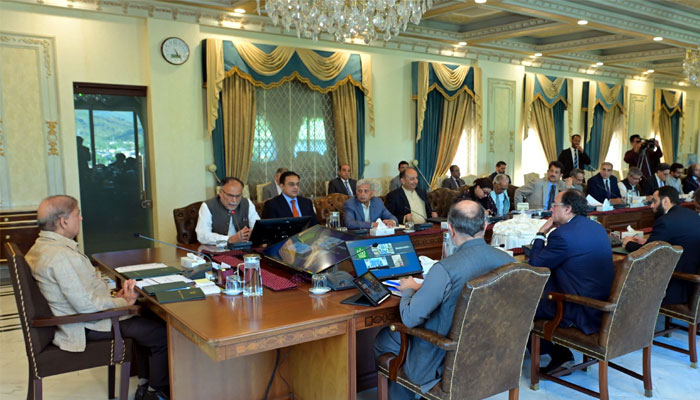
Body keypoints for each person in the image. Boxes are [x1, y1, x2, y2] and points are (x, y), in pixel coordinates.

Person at [26, 196, 169, 400]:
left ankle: (145, 384)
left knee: (147, 319)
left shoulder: (42, 246)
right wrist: (123, 302)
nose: (81, 218)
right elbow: (85, 305)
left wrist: (113, 297)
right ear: (63, 221)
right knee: (161, 333)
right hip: (85, 326)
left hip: (79, 318)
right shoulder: (59, 256)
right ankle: (156, 393)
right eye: (77, 214)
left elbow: (81, 293)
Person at [374, 200, 515, 399]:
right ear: (485, 226)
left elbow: (410, 319)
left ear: (450, 229)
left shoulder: (445, 269)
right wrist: (428, 287)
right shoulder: (509, 262)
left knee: (385, 338)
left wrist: (407, 290)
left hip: (445, 356)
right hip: (491, 353)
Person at [529, 190, 614, 372]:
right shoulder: (597, 227)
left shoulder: (562, 235)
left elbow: (535, 265)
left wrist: (541, 233)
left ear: (568, 209)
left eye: (554, 205)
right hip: (601, 305)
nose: (551, 209)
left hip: (577, 308)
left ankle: (560, 355)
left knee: (520, 305)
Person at [623, 187, 700, 305]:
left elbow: (646, 254)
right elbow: (677, 241)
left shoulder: (665, 221)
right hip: (693, 287)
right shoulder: (692, 215)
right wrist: (647, 242)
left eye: (654, 201)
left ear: (665, 201)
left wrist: (628, 243)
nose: (651, 206)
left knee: (628, 281)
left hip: (675, 286)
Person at [195, 177, 259, 245]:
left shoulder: (247, 203)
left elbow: (257, 226)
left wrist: (253, 234)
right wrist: (229, 239)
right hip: (217, 249)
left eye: (238, 196)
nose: (234, 200)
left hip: (244, 248)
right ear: (220, 193)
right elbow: (202, 236)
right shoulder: (207, 206)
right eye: (230, 195)